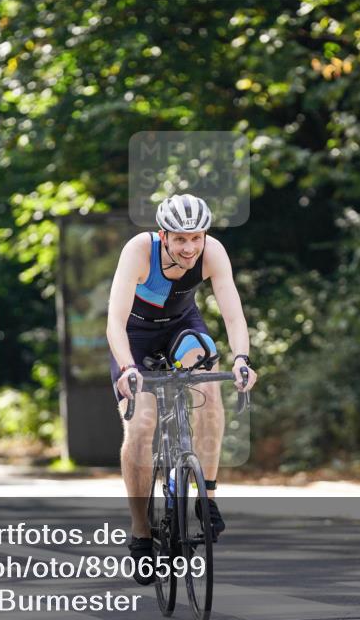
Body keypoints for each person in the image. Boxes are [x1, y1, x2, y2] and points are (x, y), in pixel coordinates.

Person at [106, 193, 258, 585]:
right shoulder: (139, 251)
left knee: (210, 379)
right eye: (180, 239)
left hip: (180, 330)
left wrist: (242, 359)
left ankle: (205, 497)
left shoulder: (213, 252)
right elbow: (115, 322)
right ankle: (141, 532)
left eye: (196, 238)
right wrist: (127, 368)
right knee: (141, 426)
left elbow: (233, 314)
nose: (189, 248)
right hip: (135, 340)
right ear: (164, 236)